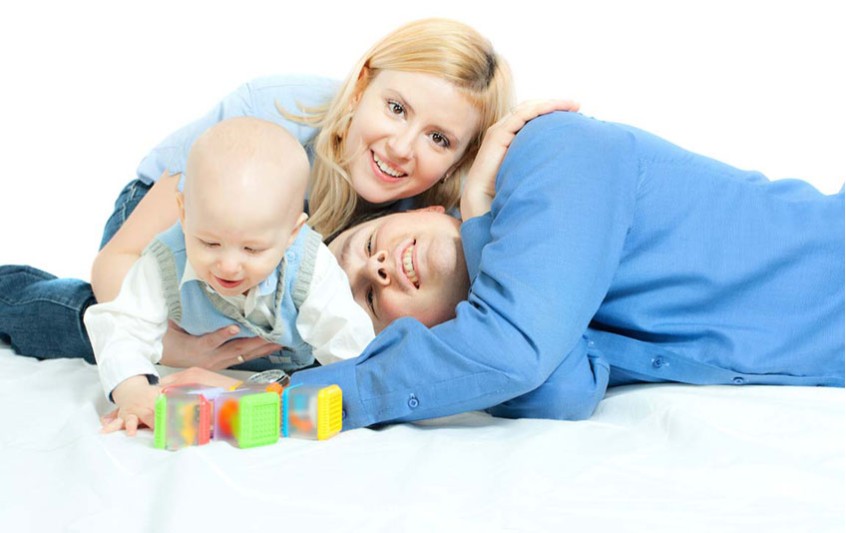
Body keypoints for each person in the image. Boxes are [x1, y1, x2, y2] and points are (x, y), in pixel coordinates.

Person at [173, 110, 837, 430]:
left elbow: (512, 351)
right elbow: (558, 390)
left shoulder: (556, 151)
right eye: (366, 299)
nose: (377, 266)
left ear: (430, 204)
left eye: (364, 244)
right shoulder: (543, 335)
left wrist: (283, 400)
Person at [0, 17, 576, 370]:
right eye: (396, 108)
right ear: (363, 83)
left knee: (275, 346)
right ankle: (15, 293)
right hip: (179, 229)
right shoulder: (271, 116)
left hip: (272, 267)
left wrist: (476, 203)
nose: (402, 147)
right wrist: (171, 346)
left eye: (439, 138)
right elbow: (118, 260)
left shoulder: (428, 216)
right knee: (121, 327)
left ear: (459, 158)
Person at [86, 117, 376, 433]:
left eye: (252, 249)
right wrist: (133, 391)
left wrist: (342, 397)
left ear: (292, 232)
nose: (228, 265)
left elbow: (347, 340)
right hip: (197, 365)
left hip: (283, 377)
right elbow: (123, 326)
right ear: (183, 213)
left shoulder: (310, 262)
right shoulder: (165, 258)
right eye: (209, 242)